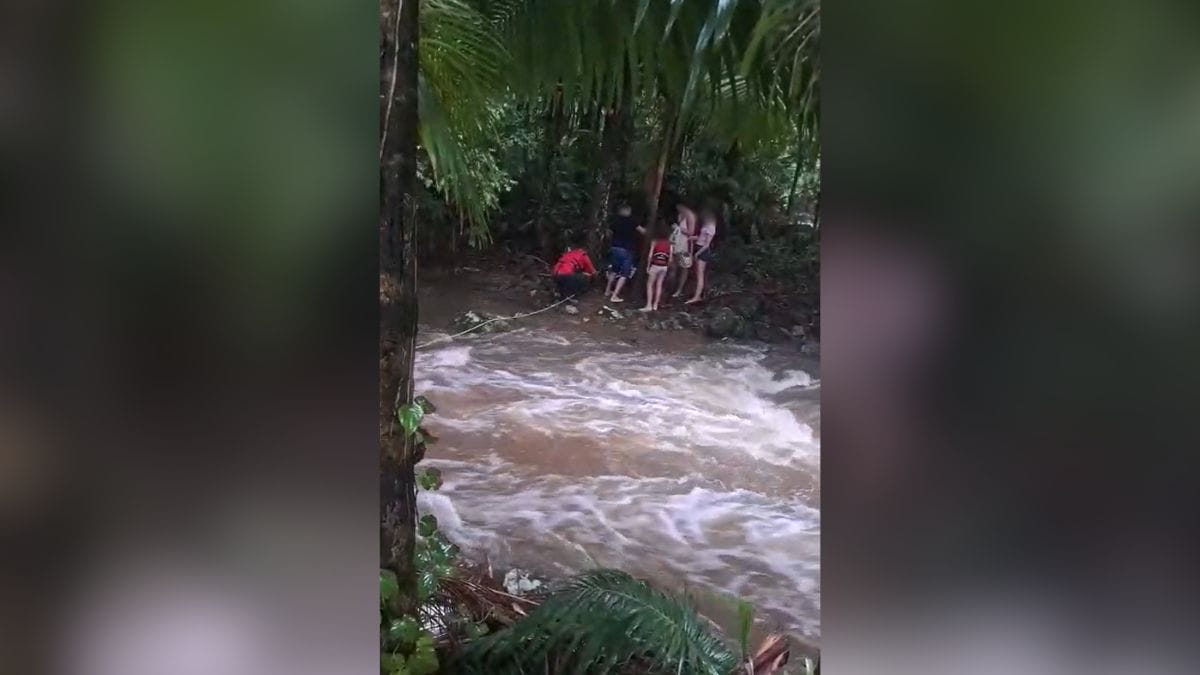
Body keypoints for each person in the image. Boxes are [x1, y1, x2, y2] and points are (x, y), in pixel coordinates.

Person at [603, 203, 645, 303]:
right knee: (625, 274)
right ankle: (615, 295)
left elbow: (608, 233)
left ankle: (607, 291)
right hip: (627, 249)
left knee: (614, 270)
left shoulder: (615, 221)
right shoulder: (632, 221)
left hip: (615, 248)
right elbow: (643, 231)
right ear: (627, 211)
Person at [685, 208, 717, 304]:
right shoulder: (706, 225)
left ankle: (697, 296)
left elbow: (707, 244)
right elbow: (701, 237)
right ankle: (698, 294)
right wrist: (692, 238)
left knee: (700, 275)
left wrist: (697, 253)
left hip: (703, 250)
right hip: (699, 247)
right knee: (697, 273)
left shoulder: (711, 227)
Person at [640, 223, 673, 312]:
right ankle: (655, 305)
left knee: (650, 284)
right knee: (659, 285)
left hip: (655, 265)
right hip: (664, 266)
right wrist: (668, 266)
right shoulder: (669, 244)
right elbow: (670, 258)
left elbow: (650, 255)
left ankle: (649, 305)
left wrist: (648, 266)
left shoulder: (655, 242)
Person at [670, 202, 697, 298]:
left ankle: (679, 290)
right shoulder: (680, 215)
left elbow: (691, 232)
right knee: (673, 266)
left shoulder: (690, 216)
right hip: (676, 244)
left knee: (684, 268)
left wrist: (679, 228)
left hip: (685, 246)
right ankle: (670, 288)